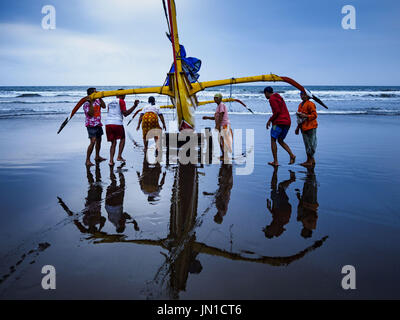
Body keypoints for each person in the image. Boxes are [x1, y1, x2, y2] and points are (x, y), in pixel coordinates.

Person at [105, 90, 139, 166]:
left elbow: (109, 112)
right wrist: (134, 106)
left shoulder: (110, 102)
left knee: (113, 142)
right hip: (117, 123)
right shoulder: (121, 101)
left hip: (108, 123)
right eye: (125, 94)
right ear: (122, 95)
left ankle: (111, 161)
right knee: (122, 139)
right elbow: (125, 114)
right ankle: (119, 156)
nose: (125, 95)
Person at [264, 86, 296, 167]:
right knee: (280, 140)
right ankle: (292, 155)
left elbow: (277, 111)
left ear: (267, 93)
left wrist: (269, 120)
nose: (265, 96)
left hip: (278, 123)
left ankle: (275, 161)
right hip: (287, 122)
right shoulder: (279, 97)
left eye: (265, 94)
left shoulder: (272, 99)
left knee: (273, 139)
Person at [263, 167, 295, 239]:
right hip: (281, 205)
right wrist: (273, 207)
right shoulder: (278, 227)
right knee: (279, 186)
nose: (267, 227)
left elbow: (275, 216)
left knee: (275, 188)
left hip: (278, 205)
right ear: (270, 232)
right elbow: (278, 216)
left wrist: (270, 208)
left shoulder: (277, 227)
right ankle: (292, 179)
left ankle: (276, 173)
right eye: (267, 230)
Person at [202, 93, 233, 161]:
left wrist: (218, 125)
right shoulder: (219, 106)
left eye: (216, 98)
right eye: (214, 98)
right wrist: (207, 117)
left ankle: (225, 156)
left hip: (224, 125)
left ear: (220, 99)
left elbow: (221, 115)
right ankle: (224, 155)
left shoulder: (221, 105)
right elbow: (216, 118)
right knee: (220, 140)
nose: (215, 99)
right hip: (222, 125)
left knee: (223, 141)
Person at [83, 87, 107, 166]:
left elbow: (104, 106)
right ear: (91, 94)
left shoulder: (97, 101)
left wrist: (100, 98)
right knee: (93, 141)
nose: (97, 93)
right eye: (95, 92)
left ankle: (97, 156)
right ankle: (87, 160)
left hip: (98, 123)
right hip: (91, 124)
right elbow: (91, 113)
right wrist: (90, 103)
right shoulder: (86, 104)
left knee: (99, 140)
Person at [295, 91, 318, 167]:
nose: (302, 96)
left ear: (308, 96)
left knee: (311, 144)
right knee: (307, 145)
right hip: (303, 127)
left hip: (311, 126)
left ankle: (309, 161)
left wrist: (305, 116)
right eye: (301, 94)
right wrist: (297, 128)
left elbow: (314, 115)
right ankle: (311, 160)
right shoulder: (300, 105)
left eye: (304, 95)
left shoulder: (310, 104)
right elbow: (299, 118)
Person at [296, 168, 319, 238]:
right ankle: (311, 171)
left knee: (308, 185)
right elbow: (313, 215)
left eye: (302, 232)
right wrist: (302, 218)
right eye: (303, 232)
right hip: (311, 203)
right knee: (311, 186)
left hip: (306, 203)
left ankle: (310, 171)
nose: (302, 230)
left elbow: (304, 213)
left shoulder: (307, 224)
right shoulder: (312, 225)